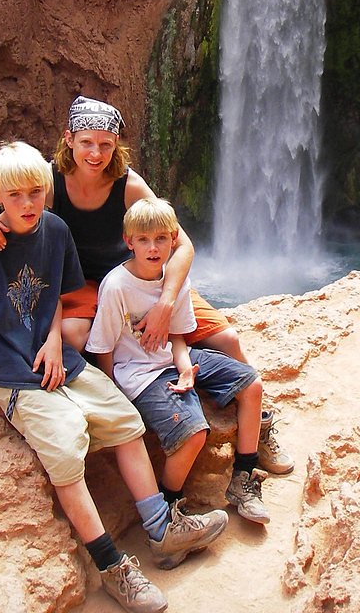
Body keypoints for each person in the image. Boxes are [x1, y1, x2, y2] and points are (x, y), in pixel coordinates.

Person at [0, 141, 227, 613]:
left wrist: (53, 340)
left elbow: (58, 297)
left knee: (125, 421)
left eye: (36, 192)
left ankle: (161, 529)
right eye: (15, 195)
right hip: (11, 371)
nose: (27, 203)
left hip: (58, 357)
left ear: (47, 189)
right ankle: (112, 566)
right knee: (65, 446)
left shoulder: (56, 230)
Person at [0, 96, 293, 477]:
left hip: (137, 277)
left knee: (228, 339)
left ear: (116, 145)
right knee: (73, 335)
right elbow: (11, 204)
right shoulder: (49, 181)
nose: (95, 154)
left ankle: (261, 425)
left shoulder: (128, 185)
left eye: (105, 144)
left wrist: (165, 303)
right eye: (87, 142)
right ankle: (98, 401)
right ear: (69, 139)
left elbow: (183, 245)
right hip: (81, 283)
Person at [89, 197, 271, 527]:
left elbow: (176, 336)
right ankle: (170, 508)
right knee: (193, 434)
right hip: (140, 375)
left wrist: (185, 366)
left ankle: (244, 477)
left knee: (252, 384)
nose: (153, 248)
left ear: (174, 239)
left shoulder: (176, 280)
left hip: (173, 360)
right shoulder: (117, 286)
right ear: (129, 242)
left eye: (161, 238)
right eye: (143, 239)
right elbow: (103, 346)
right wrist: (112, 392)